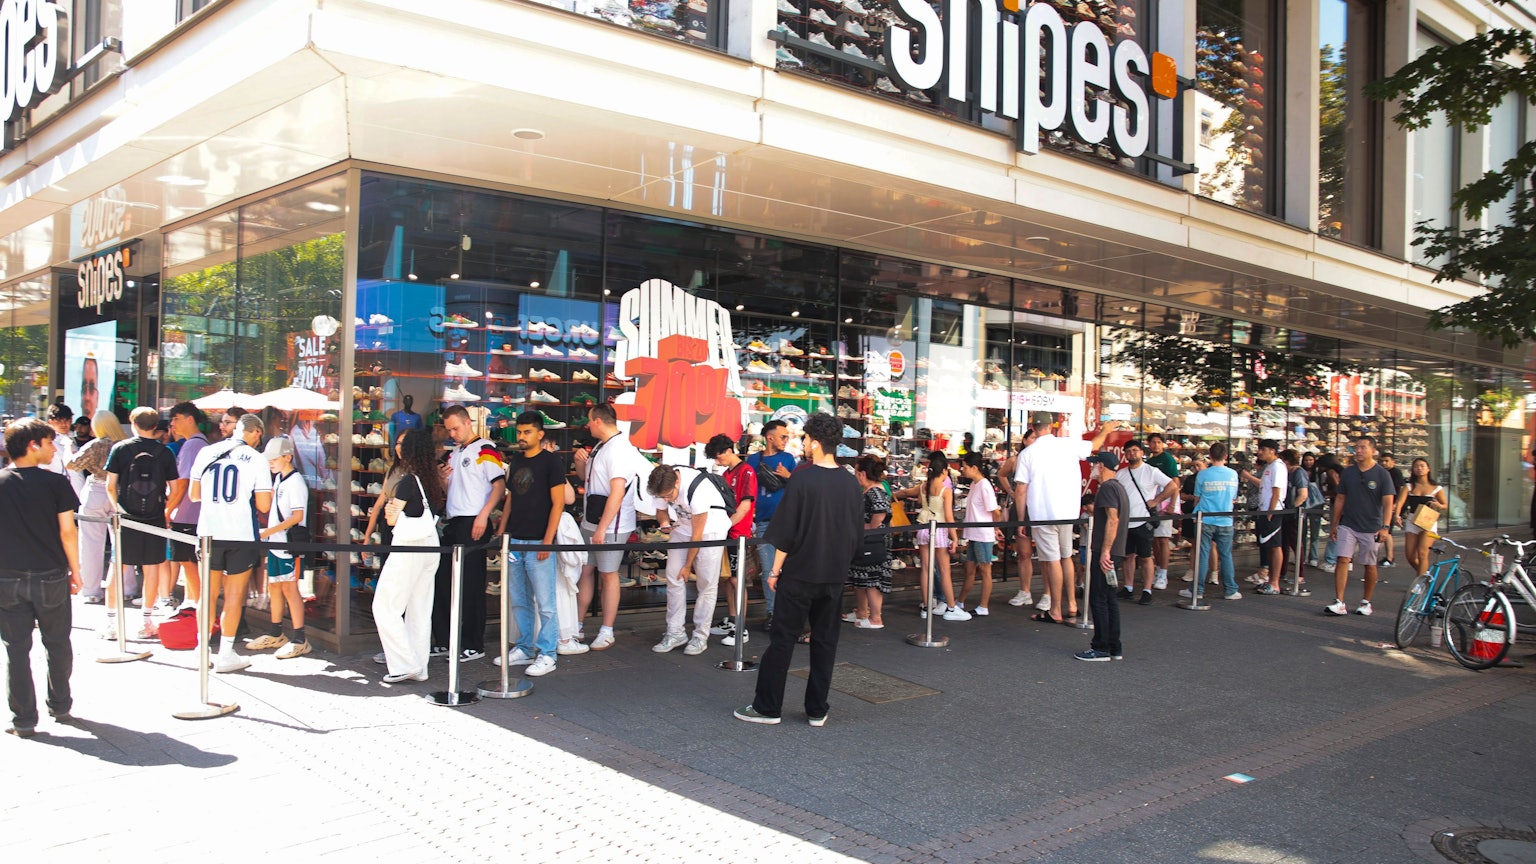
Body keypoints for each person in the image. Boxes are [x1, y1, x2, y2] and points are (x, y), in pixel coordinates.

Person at [734, 412, 863, 726]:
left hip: (799, 572)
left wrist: (775, 571)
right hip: (834, 574)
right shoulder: (850, 481)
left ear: (815, 442)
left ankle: (768, 707)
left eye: (805, 438)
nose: (803, 443)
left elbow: (786, 531)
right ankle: (817, 709)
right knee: (825, 642)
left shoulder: (802, 478)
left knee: (783, 640)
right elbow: (855, 533)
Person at [0, 418, 83, 737]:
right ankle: (60, 704)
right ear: (32, 445)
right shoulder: (56, 483)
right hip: (50, 574)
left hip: (7, 577)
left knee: (16, 649)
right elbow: (67, 532)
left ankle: (23, 719)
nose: (54, 449)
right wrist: (76, 570)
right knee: (58, 642)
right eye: (49, 443)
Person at [1013, 413, 1120, 624]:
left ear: (1033, 427)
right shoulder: (1068, 444)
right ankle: (1071, 604)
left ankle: (1055, 609)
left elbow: (1021, 489)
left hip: (1043, 514)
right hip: (1068, 512)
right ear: (1052, 426)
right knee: (1066, 557)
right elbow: (1095, 444)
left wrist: (1021, 518)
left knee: (1052, 560)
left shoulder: (1027, 453)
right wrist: (1105, 430)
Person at [189, 413, 274, 673]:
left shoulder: (206, 452)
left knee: (207, 594)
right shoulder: (257, 459)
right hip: (240, 533)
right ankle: (226, 653)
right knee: (234, 596)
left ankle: (202, 649)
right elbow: (264, 505)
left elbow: (194, 495)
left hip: (209, 531)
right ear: (256, 432)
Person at [490, 411, 566, 677]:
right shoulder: (517, 460)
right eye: (519, 432)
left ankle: (548, 653)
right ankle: (524, 647)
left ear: (540, 434)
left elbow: (558, 503)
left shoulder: (551, 461)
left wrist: (547, 541)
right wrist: (502, 530)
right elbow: (511, 498)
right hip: (515, 540)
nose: (521, 437)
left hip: (538, 541)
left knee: (546, 603)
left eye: (527, 432)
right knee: (519, 600)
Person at [431, 404, 505, 663]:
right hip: (453, 520)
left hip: (474, 520)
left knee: (472, 585)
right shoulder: (454, 453)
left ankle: (474, 643)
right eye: (449, 430)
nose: (452, 434)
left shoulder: (485, 448)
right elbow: (451, 490)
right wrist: (442, 480)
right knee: (442, 582)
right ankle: (444, 640)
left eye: (455, 428)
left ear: (467, 422)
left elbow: (499, 486)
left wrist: (484, 515)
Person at [371, 429, 445, 683]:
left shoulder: (407, 481)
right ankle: (419, 666)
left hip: (408, 546)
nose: (399, 448)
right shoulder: (430, 481)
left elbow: (391, 517)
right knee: (420, 609)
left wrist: (392, 511)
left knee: (385, 606)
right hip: (430, 545)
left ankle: (405, 664)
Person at [577, 403, 653, 651]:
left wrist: (602, 528)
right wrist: (580, 463)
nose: (587, 425)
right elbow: (587, 479)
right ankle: (577, 624)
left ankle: (607, 630)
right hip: (593, 519)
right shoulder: (602, 446)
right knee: (585, 570)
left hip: (611, 525)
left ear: (598, 421)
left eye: (590, 420)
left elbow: (617, 492)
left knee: (608, 574)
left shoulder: (619, 449)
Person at [104, 407, 178, 640]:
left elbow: (110, 486)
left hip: (126, 517)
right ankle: (146, 621)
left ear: (133, 423)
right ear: (155, 426)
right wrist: (164, 510)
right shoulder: (165, 452)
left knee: (118, 567)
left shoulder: (120, 449)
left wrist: (118, 509)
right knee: (152, 568)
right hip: (154, 518)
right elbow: (175, 489)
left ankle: (111, 623)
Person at [646, 462, 730, 655]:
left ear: (677, 483)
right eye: (662, 497)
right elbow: (661, 510)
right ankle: (675, 632)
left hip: (711, 530)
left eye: (669, 496)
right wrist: (664, 523)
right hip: (682, 528)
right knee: (673, 576)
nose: (666, 500)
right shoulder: (661, 484)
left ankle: (700, 635)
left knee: (706, 583)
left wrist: (688, 566)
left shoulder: (697, 489)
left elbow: (697, 535)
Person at [244, 437, 312, 659]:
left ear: (287, 457)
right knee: (274, 587)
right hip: (276, 544)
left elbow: (298, 516)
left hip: (289, 545)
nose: (270, 462)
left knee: (290, 589)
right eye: (269, 459)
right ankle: (276, 633)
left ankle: (300, 639)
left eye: (274, 459)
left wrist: (268, 532)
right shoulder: (280, 479)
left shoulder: (295, 482)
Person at [1326, 436, 1396, 616]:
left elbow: (1388, 502)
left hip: (1372, 526)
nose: (1358, 451)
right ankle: (1339, 601)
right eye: (1356, 447)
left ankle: (1366, 601)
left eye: (1363, 447)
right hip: (1348, 524)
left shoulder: (1382, 474)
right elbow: (1340, 498)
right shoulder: (1348, 472)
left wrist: (1386, 526)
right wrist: (1334, 524)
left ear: (1373, 451)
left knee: (1369, 565)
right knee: (1342, 559)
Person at [67, 411, 126, 606]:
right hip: (120, 493)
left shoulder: (95, 445)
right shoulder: (125, 444)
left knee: (91, 542)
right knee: (122, 543)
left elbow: (73, 465)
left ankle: (91, 590)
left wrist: (69, 449)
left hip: (96, 491)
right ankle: (126, 587)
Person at [896, 451, 964, 620]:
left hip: (923, 527)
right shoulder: (945, 490)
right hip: (939, 529)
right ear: (944, 471)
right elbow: (949, 517)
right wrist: (955, 537)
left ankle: (926, 606)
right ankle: (951, 608)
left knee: (925, 569)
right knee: (944, 570)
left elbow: (915, 499)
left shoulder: (923, 487)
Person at [705, 434, 757, 646]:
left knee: (737, 580)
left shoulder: (747, 471)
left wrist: (725, 525)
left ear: (728, 451)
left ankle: (741, 627)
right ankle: (733, 620)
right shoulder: (727, 473)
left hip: (738, 533)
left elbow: (745, 505)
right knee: (728, 578)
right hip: (726, 532)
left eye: (718, 457)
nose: (717, 462)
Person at [1114, 439, 1179, 606]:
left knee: (1145, 557)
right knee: (1128, 556)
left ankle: (1147, 590)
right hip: (1126, 521)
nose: (1132, 454)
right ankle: (1128, 587)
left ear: (1142, 452)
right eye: (1128, 451)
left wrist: (1156, 500)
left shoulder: (1151, 471)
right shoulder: (1121, 474)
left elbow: (1172, 485)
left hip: (1144, 521)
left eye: (1135, 450)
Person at [745, 419, 796, 630]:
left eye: (787, 437)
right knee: (768, 570)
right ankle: (773, 612)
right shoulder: (753, 460)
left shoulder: (788, 459)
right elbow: (747, 489)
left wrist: (788, 476)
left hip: (788, 522)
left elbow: (801, 489)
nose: (786, 440)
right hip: (764, 521)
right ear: (770, 438)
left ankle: (786, 612)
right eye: (783, 436)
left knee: (788, 569)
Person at [1077, 451, 1127, 661]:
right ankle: (1114, 646)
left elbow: (1113, 520)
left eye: (1094, 464)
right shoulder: (1118, 487)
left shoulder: (1107, 488)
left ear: (1102, 465)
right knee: (1109, 598)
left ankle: (1101, 647)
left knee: (1098, 598)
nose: (1092, 467)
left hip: (1107, 551)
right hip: (1115, 550)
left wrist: (1105, 550)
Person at [1181, 442, 1241, 602]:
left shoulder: (1203, 475)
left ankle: (1197, 590)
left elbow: (1197, 498)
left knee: (1202, 555)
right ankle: (1230, 590)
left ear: (1210, 456)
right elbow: (1233, 498)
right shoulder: (1233, 474)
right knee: (1226, 556)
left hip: (1205, 519)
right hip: (1226, 519)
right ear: (1226, 456)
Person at [166, 402, 212, 610]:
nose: (173, 424)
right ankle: (194, 605)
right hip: (194, 514)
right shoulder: (200, 444)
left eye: (176, 418)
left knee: (188, 563)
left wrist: (168, 510)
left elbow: (183, 483)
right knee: (190, 563)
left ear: (190, 419)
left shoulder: (192, 445)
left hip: (187, 515)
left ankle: (200, 608)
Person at [844, 455, 891, 629]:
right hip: (866, 541)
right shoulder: (870, 490)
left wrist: (870, 527)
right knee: (861, 577)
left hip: (873, 543)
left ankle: (875, 617)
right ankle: (862, 611)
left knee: (872, 580)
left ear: (862, 474)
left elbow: (880, 512)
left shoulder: (875, 491)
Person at [956, 452, 1002, 615]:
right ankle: (959, 602)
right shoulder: (975, 485)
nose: (963, 470)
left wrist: (995, 528)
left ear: (974, 468)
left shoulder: (984, 486)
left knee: (984, 569)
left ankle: (983, 606)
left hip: (982, 533)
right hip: (974, 533)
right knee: (970, 569)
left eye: (965, 467)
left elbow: (995, 511)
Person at [1241, 440, 1287, 594]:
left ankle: (1274, 583)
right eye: (1259, 449)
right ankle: (1270, 580)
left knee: (1275, 546)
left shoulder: (1278, 467)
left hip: (1273, 511)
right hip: (1264, 510)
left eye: (1263, 449)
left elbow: (1276, 492)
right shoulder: (1269, 466)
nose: (1260, 452)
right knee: (1269, 547)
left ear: (1272, 450)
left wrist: (1270, 511)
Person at [1000, 429, 1037, 608]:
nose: (1036, 441)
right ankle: (1025, 591)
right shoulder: (1015, 460)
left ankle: (1048, 594)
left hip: (1040, 507)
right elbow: (1001, 474)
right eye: (1033, 437)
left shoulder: (1043, 459)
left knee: (1047, 554)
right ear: (1025, 440)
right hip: (1021, 506)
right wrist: (1011, 491)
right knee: (1024, 553)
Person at [1396, 457, 1447, 577]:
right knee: (1410, 556)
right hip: (1412, 520)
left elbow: (1445, 505)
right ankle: (1425, 576)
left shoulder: (1436, 488)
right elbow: (1400, 502)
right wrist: (1396, 515)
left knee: (1422, 554)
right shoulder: (1409, 486)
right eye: (1416, 466)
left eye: (1422, 466)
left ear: (1428, 469)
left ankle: (1420, 584)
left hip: (1428, 521)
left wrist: (1438, 505)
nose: (1419, 468)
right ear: (1412, 470)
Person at [1143, 433, 1180, 586]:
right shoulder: (1149, 462)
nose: (1156, 445)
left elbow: (1175, 482)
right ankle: (1158, 569)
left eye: (1159, 442)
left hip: (1165, 501)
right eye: (1153, 442)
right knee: (1155, 539)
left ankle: (1163, 574)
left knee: (1163, 538)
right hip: (1152, 503)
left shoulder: (1167, 459)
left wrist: (1172, 504)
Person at [1380, 452, 1407, 569]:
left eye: (1386, 461)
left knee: (1387, 531)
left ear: (1393, 462)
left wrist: (1396, 505)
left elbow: (1401, 489)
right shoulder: (1382, 472)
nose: (1384, 463)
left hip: (1391, 506)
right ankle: (1388, 557)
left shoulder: (1395, 472)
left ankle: (1390, 558)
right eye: (1382, 461)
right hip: (1383, 505)